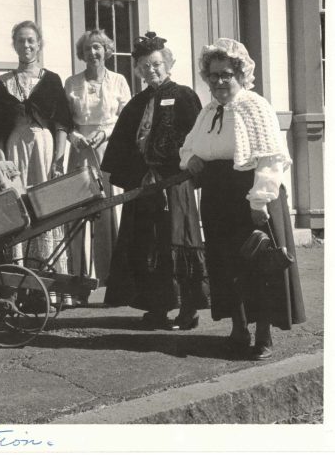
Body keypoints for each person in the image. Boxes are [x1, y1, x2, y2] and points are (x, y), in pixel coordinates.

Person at [180, 38, 306, 359]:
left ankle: (263, 333)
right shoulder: (209, 111)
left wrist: (259, 200)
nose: (219, 81)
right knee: (225, 264)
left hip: (251, 196)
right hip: (217, 195)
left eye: (226, 74)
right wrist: (190, 159)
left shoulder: (255, 106)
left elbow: (271, 157)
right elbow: (189, 146)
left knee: (259, 265)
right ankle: (239, 329)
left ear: (240, 73)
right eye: (212, 75)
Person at [101, 31, 210, 330]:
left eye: (156, 64)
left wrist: (182, 167)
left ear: (167, 63)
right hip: (145, 186)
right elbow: (121, 142)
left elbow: (197, 138)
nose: (151, 70)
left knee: (177, 243)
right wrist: (131, 174)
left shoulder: (185, 95)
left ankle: (188, 309)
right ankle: (157, 308)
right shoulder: (136, 103)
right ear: (137, 70)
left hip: (174, 184)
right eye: (145, 66)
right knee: (148, 246)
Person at [0, 20, 72, 313]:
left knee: (46, 208)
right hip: (14, 149)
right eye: (21, 41)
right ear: (15, 45)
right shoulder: (3, 82)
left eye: (31, 41)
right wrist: (1, 160)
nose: (26, 46)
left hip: (44, 148)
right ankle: (18, 284)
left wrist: (59, 158)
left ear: (39, 43)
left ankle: (50, 286)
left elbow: (61, 123)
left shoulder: (52, 80)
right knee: (18, 209)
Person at [64, 29, 131, 305]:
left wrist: (105, 132)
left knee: (110, 212)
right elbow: (64, 120)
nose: (93, 53)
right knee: (80, 214)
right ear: (82, 53)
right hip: (80, 152)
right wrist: (74, 135)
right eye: (89, 48)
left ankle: (114, 282)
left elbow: (125, 119)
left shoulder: (118, 81)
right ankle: (81, 281)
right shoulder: (71, 82)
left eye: (98, 48)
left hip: (109, 151)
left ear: (107, 51)